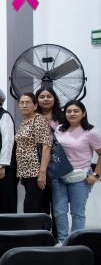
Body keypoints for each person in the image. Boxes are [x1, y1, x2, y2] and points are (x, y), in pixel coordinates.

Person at [52, 100, 101, 242]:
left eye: (76, 111)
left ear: (83, 113)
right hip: (59, 176)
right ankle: (62, 242)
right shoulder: (59, 129)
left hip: (81, 178)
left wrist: (96, 175)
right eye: (69, 111)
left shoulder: (91, 132)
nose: (72, 114)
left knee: (77, 213)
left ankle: (76, 242)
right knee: (60, 212)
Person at [15, 93, 53, 214]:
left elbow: (46, 146)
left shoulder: (38, 120)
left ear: (35, 106)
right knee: (34, 205)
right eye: (21, 102)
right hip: (26, 172)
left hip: (36, 172)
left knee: (32, 207)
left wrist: (42, 173)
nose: (24, 105)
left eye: (28, 102)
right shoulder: (25, 121)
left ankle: (37, 232)